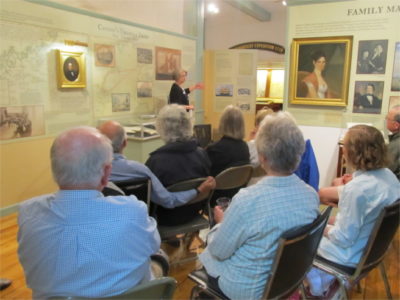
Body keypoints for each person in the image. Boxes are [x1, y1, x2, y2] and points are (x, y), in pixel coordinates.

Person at [18, 126, 161, 299]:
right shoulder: (132, 210)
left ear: (55, 170)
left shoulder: (28, 213)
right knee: (156, 260)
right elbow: (153, 245)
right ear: (106, 174)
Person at [199, 112, 320, 300]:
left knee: (209, 252)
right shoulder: (310, 196)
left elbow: (219, 251)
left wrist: (221, 223)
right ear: (298, 154)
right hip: (288, 280)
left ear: (262, 157)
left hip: (249, 289)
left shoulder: (248, 199)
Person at [307, 125, 400, 296]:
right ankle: (324, 282)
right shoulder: (389, 177)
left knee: (295, 240)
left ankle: (319, 285)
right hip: (372, 252)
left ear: (350, 153)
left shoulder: (357, 189)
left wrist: (320, 226)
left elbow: (342, 238)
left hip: (350, 255)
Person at [98, 120, 215, 209]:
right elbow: (168, 200)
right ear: (125, 143)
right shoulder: (139, 170)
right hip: (141, 223)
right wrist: (198, 190)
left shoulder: (85, 173)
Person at [145, 104, 213, 226]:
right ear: (188, 125)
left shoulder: (155, 162)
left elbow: (148, 197)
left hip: (166, 218)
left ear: (162, 128)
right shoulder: (202, 154)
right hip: (194, 211)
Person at [206, 105, 250, 177]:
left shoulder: (214, 149)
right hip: (240, 187)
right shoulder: (245, 147)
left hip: (217, 187)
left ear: (222, 123)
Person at [386, 105, 400, 180]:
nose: (386, 120)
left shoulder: (395, 146)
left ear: (396, 125)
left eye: (387, 118)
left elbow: (386, 171)